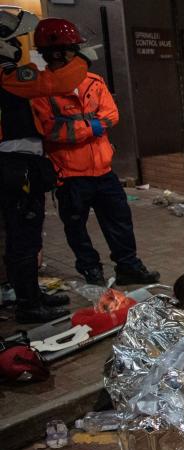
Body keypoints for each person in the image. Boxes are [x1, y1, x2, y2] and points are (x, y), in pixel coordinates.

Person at [29, 19, 159, 287]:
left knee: (119, 221)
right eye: (69, 49)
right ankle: (91, 270)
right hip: (69, 174)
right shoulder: (40, 90)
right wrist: (93, 126)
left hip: (103, 170)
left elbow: (111, 115)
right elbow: (51, 130)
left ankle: (128, 267)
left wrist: (83, 127)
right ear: (56, 52)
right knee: (76, 227)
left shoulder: (93, 82)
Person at [1, 11, 85, 323]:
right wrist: (79, 60)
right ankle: (27, 303)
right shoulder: (6, 75)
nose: (16, 45)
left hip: (22, 164)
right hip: (14, 166)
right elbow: (54, 81)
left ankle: (31, 294)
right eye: (11, 39)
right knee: (23, 235)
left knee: (29, 233)